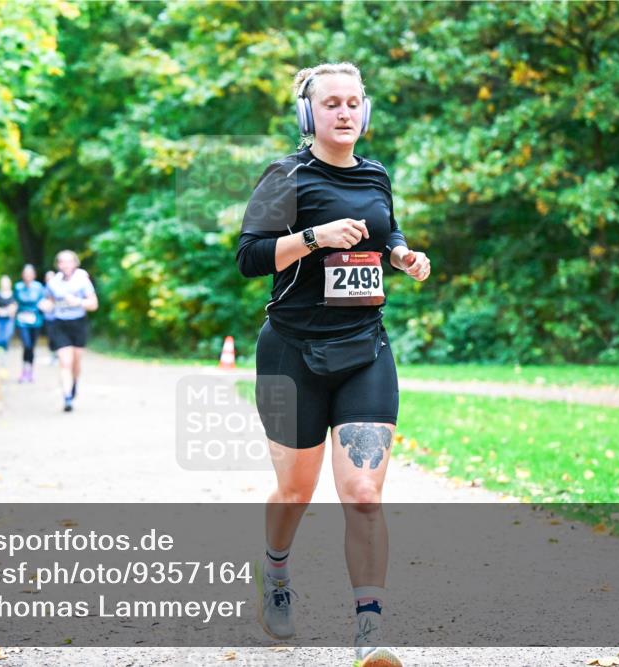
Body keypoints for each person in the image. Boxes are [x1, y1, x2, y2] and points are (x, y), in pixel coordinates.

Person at [236, 62, 431, 667]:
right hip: (291, 353)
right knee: (296, 491)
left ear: (364, 111)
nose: (344, 113)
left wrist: (400, 254)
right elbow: (249, 258)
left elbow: (385, 228)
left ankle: (370, 631)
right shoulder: (285, 176)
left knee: (364, 491)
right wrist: (316, 237)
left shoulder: (376, 174)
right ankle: (274, 573)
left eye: (353, 103)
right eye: (331, 104)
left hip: (363, 349)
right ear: (308, 114)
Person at [40, 250, 98, 412]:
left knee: (76, 362)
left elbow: (94, 304)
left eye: (69, 261)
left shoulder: (82, 280)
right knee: (65, 362)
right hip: (60, 324)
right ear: (58, 265)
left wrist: (78, 302)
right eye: (62, 262)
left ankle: (74, 385)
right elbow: (48, 301)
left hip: (78, 324)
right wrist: (46, 306)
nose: (65, 265)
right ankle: (67, 397)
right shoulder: (53, 283)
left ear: (75, 263)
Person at [14, 264, 45, 383]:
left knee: (32, 346)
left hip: (35, 319)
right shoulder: (18, 287)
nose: (27, 276)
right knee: (26, 345)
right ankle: (24, 370)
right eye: (25, 273)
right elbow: (15, 301)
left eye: (30, 273)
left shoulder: (39, 287)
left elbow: (43, 301)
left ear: (33, 275)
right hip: (22, 320)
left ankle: (30, 371)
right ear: (23, 275)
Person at [0, 275, 17, 354]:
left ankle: (4, 352)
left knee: (7, 336)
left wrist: (11, 309)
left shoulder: (14, 294)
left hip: (9, 319)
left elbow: (16, 305)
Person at [42, 270, 58, 365]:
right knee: (51, 337)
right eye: (48, 278)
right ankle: (53, 355)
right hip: (48, 318)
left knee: (58, 337)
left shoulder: (60, 288)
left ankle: (58, 355)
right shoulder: (44, 290)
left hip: (59, 318)